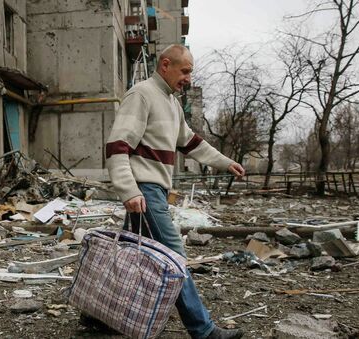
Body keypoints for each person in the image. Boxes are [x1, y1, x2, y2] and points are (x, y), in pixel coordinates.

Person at [105, 45, 246, 339]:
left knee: (130, 256)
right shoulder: (142, 94)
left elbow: (192, 143)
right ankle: (204, 331)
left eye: (190, 72)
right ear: (165, 65)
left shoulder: (171, 103)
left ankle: (97, 315)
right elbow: (118, 146)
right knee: (174, 258)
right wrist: (128, 190)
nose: (188, 78)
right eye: (185, 71)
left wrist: (225, 162)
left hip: (152, 191)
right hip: (144, 191)